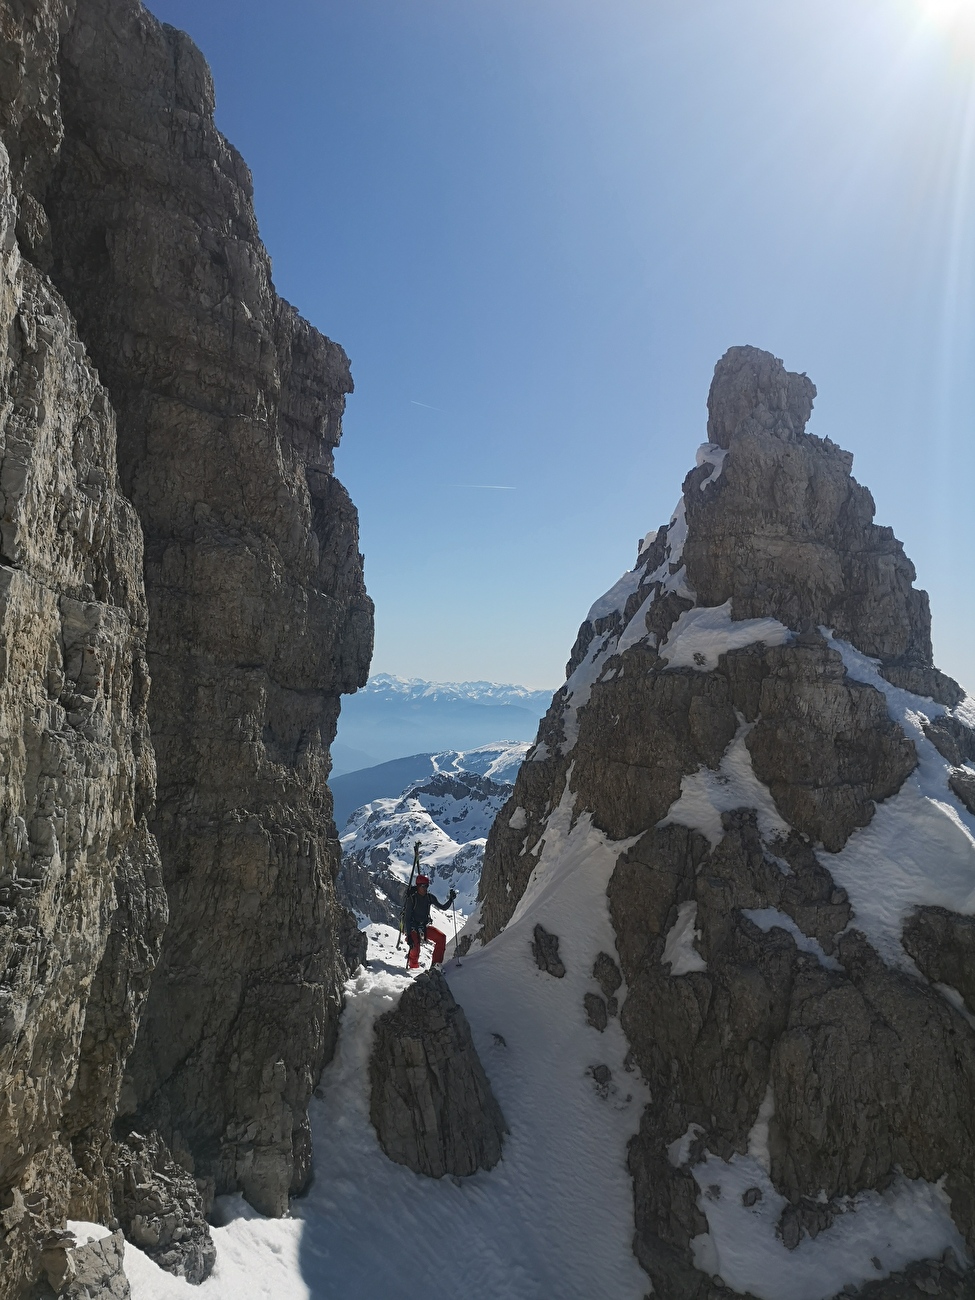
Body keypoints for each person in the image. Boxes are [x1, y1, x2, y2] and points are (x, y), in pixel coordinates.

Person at [403, 874, 456, 971]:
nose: (426, 888)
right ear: (418, 886)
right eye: (423, 886)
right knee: (415, 949)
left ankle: (435, 966)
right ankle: (413, 969)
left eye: (427, 886)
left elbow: (443, 907)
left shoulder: (429, 897)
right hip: (413, 928)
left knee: (441, 938)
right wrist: (409, 936)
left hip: (424, 926)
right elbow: (407, 918)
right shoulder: (412, 899)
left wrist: (451, 900)